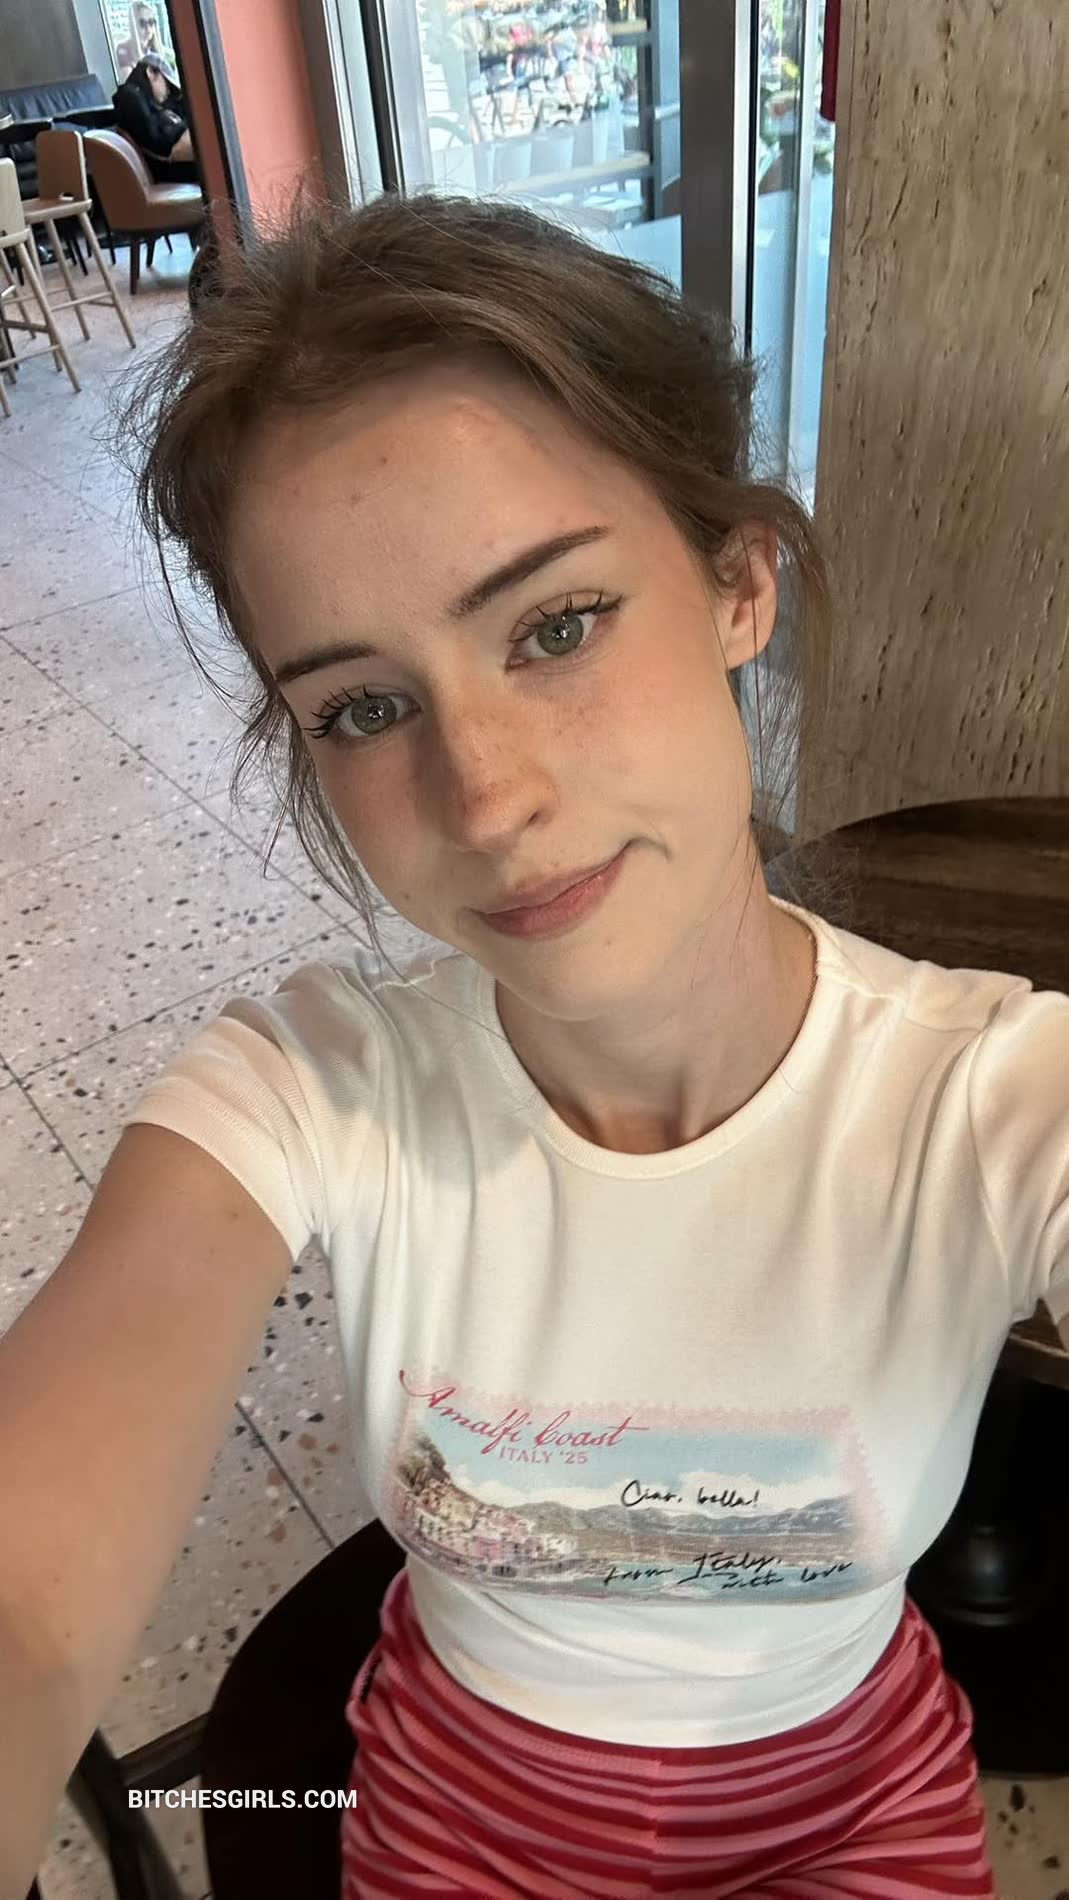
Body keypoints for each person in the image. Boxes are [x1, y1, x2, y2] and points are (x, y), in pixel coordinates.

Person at [1, 190, 1066, 1900]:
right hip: (457, 1817)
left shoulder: (988, 1098)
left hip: (844, 1809)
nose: (486, 799)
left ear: (736, 582)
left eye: (555, 625)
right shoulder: (311, 1088)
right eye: (364, 707)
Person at [112, 53, 199, 185]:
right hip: (172, 172)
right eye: (167, 85)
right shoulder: (130, 96)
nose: (168, 92)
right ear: (151, 73)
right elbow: (161, 142)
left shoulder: (147, 102)